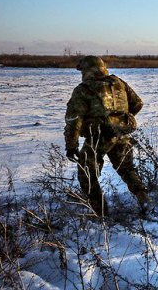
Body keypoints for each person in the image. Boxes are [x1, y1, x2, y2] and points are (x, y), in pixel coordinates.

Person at [64, 56, 149, 216]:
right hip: (122, 134)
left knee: (87, 174)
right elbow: (137, 103)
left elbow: (74, 120)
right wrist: (120, 119)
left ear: (87, 70)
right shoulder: (118, 82)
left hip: (98, 137)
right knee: (127, 169)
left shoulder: (84, 89)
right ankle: (144, 198)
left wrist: (71, 145)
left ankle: (100, 213)